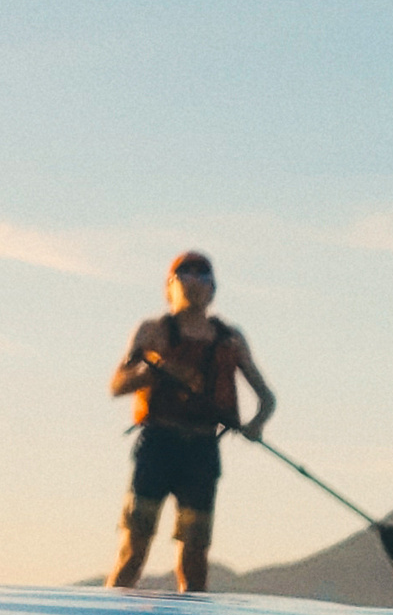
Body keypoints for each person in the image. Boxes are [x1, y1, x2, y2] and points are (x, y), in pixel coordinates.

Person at [106, 250, 274, 593]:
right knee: (133, 549)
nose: (194, 285)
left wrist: (256, 424)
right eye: (186, 278)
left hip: (201, 450)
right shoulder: (152, 332)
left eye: (203, 279)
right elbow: (118, 384)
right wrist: (156, 371)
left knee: (195, 557)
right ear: (170, 286)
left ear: (213, 290)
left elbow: (266, 398)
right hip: (156, 445)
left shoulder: (230, 338)